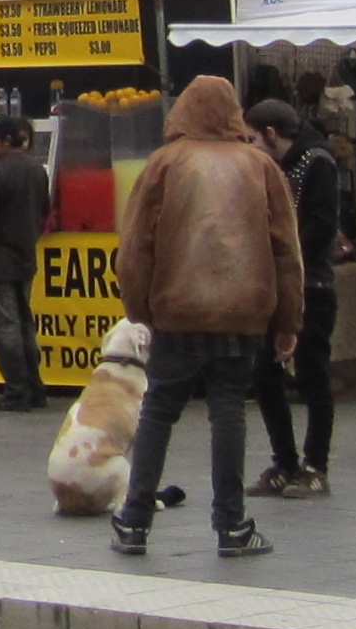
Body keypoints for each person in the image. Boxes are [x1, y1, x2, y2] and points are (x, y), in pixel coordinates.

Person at [109, 76, 306, 559]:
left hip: (176, 309)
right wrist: (288, 321)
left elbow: (135, 246)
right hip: (242, 312)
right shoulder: (260, 165)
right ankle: (232, 526)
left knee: (158, 410)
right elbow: (287, 251)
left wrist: (139, 308)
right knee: (229, 410)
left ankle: (134, 521)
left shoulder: (164, 163)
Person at [246, 98, 344, 495]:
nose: (249, 146)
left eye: (253, 138)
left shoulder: (317, 162)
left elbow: (321, 226)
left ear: (271, 133)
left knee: (312, 375)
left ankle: (316, 465)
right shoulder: (268, 167)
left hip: (311, 285)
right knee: (264, 376)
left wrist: (284, 254)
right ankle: (284, 462)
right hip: (270, 285)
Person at [0, 115, 54, 413]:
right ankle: (35, 387)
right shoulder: (37, 170)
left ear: (6, 141)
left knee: (4, 326)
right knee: (24, 324)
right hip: (24, 256)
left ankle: (17, 391)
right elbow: (45, 213)